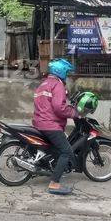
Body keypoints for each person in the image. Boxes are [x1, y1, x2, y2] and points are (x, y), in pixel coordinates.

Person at [32, 58, 78, 195]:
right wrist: (74, 113)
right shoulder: (58, 85)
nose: (67, 76)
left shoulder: (43, 84)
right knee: (66, 152)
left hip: (39, 123)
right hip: (50, 125)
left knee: (56, 150)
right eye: (67, 73)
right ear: (61, 71)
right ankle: (54, 184)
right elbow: (59, 108)